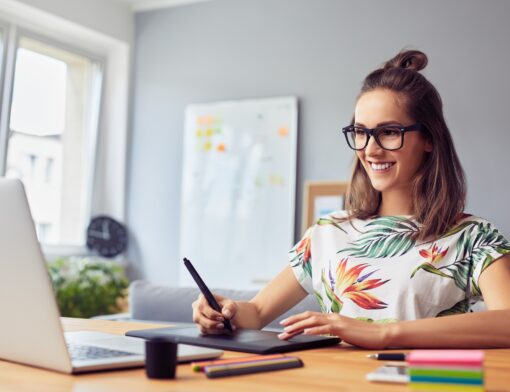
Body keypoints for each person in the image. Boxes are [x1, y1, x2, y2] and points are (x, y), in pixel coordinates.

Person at [192, 50, 510, 349]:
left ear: (428, 138)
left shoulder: (475, 238)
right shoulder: (327, 233)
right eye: (361, 132)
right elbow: (258, 312)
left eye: (389, 132)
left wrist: (383, 332)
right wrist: (224, 311)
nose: (370, 149)